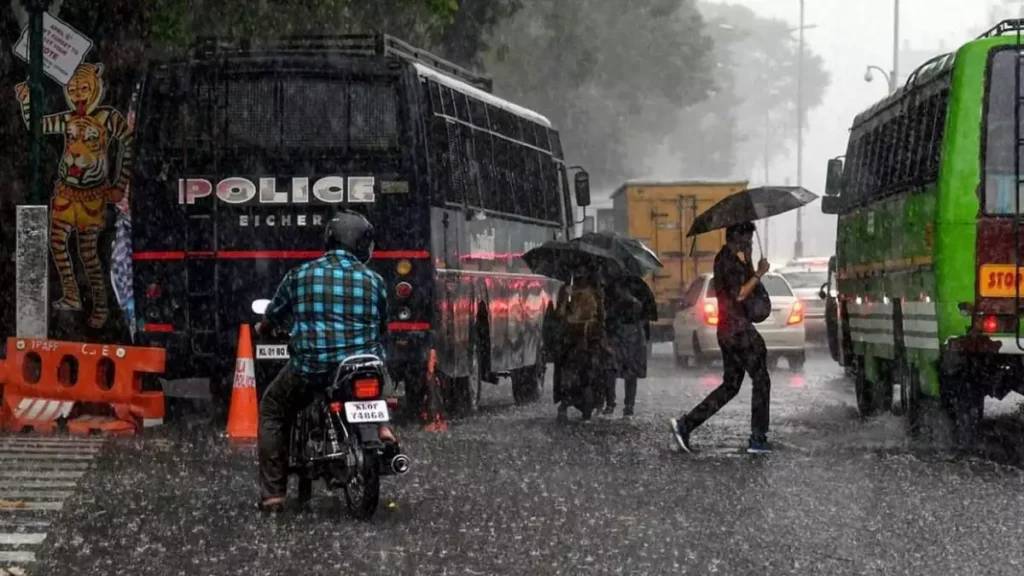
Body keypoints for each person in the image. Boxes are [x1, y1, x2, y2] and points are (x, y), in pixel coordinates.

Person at [254, 211, 397, 513]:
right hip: (361, 366)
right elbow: (383, 327)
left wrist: (262, 330)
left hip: (313, 368)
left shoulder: (300, 275)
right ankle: (383, 424)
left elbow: (274, 315)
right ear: (363, 247)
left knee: (272, 409)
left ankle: (273, 496)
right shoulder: (375, 280)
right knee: (378, 367)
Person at [670, 221, 773, 454]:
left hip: (728, 331)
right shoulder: (726, 261)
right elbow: (740, 294)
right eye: (747, 238)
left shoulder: (731, 260)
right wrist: (758, 272)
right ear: (737, 236)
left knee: (731, 385)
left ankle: (686, 424)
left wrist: (748, 261)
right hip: (739, 331)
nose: (749, 242)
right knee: (761, 380)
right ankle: (758, 439)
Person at [553, 266, 608, 422]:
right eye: (577, 277)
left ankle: (588, 409)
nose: (579, 280)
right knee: (570, 376)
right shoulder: (566, 291)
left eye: (582, 277)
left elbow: (601, 318)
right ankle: (566, 405)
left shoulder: (596, 293)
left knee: (588, 376)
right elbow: (559, 315)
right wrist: (565, 300)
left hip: (589, 341)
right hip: (571, 341)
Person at [603, 281, 647, 417]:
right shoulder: (619, 303)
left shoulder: (633, 305)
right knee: (614, 372)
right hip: (622, 341)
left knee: (627, 374)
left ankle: (625, 406)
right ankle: (616, 404)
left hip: (630, 341)